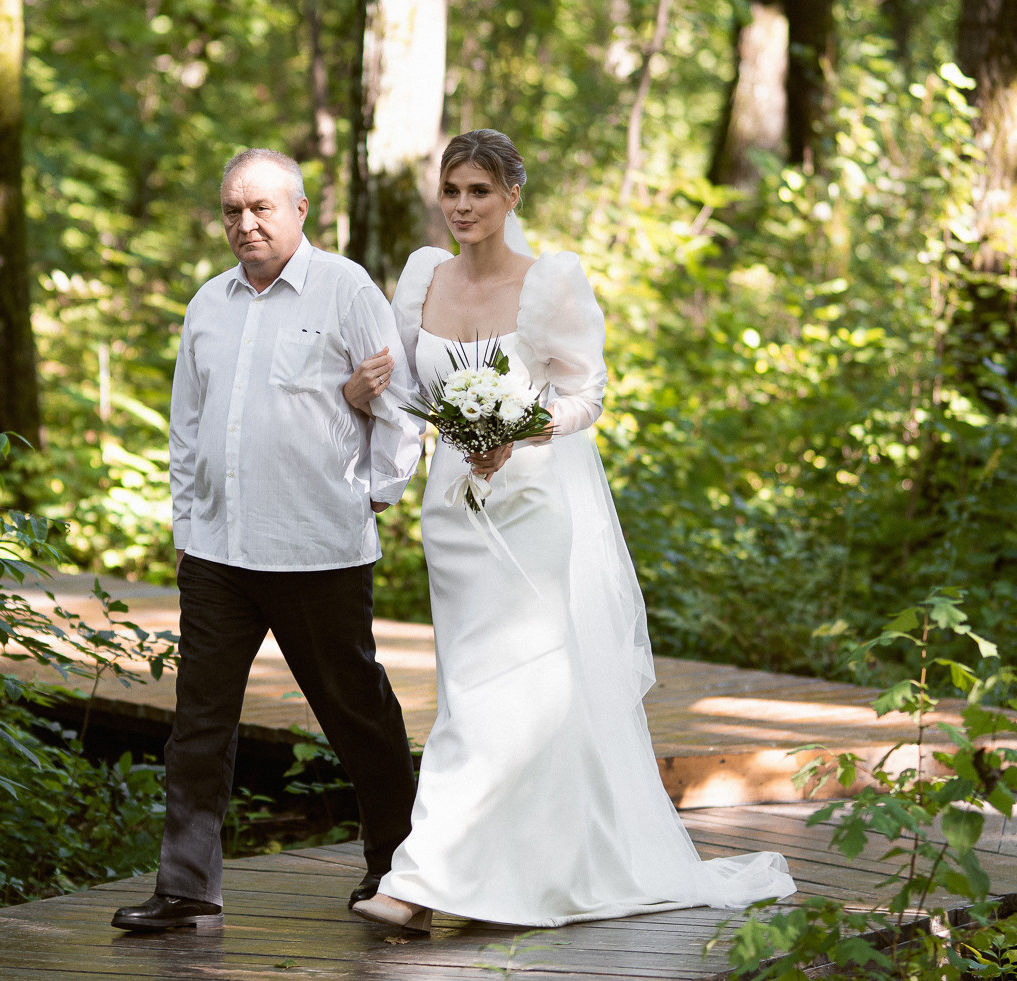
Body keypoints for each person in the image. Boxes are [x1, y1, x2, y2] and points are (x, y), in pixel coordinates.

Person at [345, 129, 796, 932]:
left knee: (513, 688)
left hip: (530, 505)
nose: (462, 207)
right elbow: (406, 390)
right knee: (470, 687)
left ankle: (419, 885)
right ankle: (501, 871)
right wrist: (366, 392)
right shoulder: (422, 277)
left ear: (513, 195)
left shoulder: (549, 282)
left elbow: (588, 394)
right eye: (452, 191)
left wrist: (520, 427)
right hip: (453, 508)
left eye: (479, 191)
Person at [112, 148, 422, 932]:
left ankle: (399, 867)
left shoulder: (345, 288)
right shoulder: (207, 304)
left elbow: (401, 407)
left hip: (319, 550)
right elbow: (187, 426)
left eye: (261, 208)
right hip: (219, 553)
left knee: (356, 713)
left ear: (300, 210)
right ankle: (187, 889)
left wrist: (375, 494)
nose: (244, 224)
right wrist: (186, 527)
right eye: (231, 211)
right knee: (199, 723)